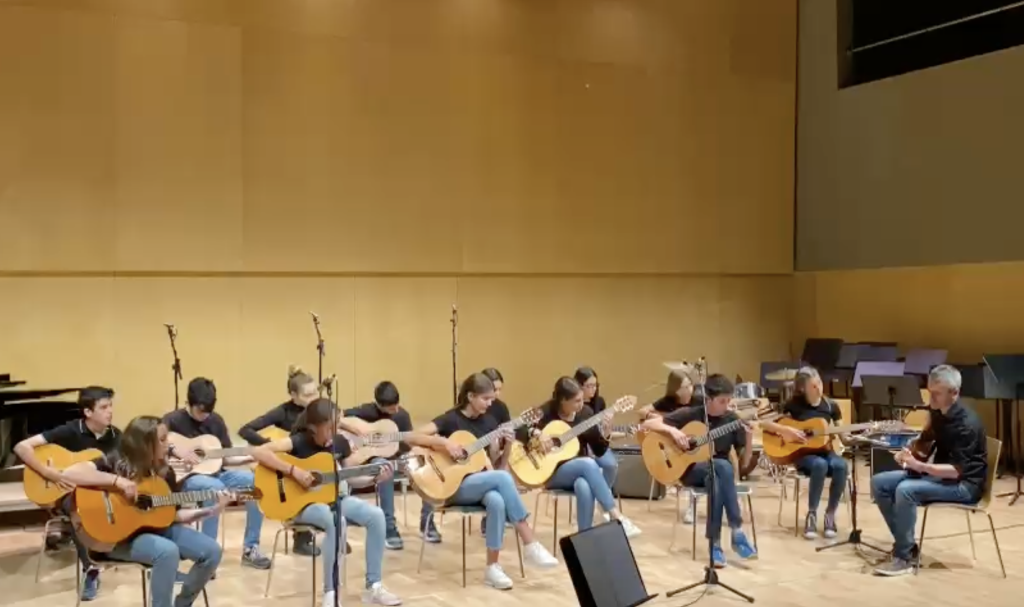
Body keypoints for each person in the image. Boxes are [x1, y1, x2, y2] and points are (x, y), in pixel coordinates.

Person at [406, 372, 559, 590]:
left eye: (492, 399)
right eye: (486, 399)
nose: (490, 403)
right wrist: (444, 444)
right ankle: (530, 542)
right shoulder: (451, 419)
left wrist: (506, 447)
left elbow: (494, 467)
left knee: (496, 500)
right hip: (450, 486)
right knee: (502, 481)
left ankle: (492, 568)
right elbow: (411, 437)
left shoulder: (489, 423)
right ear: (470, 396)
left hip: (477, 482)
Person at [251, 398, 401, 607]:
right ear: (313, 427)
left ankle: (373, 586)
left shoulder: (339, 443)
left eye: (335, 428)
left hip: (334, 499)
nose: (333, 433)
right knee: (334, 518)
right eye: (328, 429)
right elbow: (258, 452)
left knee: (375, 516)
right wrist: (294, 471)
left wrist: (375, 479)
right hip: (303, 506)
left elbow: (349, 477)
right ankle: (330, 592)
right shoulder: (299, 441)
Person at [62, 415, 224, 607]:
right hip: (117, 538)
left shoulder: (165, 474)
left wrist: (209, 511)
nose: (168, 445)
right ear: (145, 444)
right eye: (162, 440)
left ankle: (182, 604)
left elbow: (172, 515)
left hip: (157, 531)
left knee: (212, 551)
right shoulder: (115, 461)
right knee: (167, 552)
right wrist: (118, 481)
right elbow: (69, 473)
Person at [870, 364, 987, 577]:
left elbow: (956, 471)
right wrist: (909, 452)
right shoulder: (937, 412)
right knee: (879, 483)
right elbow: (925, 440)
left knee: (905, 490)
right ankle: (907, 545)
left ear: (954, 393)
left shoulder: (967, 424)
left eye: (937, 394)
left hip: (965, 485)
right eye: (930, 392)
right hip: (940, 477)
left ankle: (903, 557)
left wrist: (919, 466)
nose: (930, 399)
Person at [14, 386, 121, 601]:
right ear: (88, 412)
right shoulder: (70, 430)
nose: (110, 411)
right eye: (103, 407)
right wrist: (49, 473)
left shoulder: (115, 435)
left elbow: (121, 464)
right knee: (78, 503)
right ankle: (90, 568)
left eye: (110, 406)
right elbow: (21, 447)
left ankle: (127, 551)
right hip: (67, 493)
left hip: (100, 490)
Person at [641, 373, 757, 568]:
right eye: (722, 401)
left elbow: (745, 464)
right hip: (690, 469)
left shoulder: (732, 420)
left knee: (718, 474)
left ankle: (715, 544)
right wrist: (674, 431)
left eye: (729, 400)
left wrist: (749, 438)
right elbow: (647, 424)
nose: (727, 405)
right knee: (722, 466)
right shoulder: (691, 414)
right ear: (709, 400)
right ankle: (737, 531)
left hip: (717, 475)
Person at [163, 378, 271, 568]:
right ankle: (206, 556)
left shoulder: (216, 421)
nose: (204, 416)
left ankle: (250, 549)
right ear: (189, 403)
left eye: (208, 412)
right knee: (215, 489)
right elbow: (158, 447)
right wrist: (177, 452)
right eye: (200, 411)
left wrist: (249, 457)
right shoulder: (172, 420)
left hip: (217, 474)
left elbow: (224, 458)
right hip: (187, 480)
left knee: (256, 484)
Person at [527, 376, 640, 536]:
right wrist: (537, 433)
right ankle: (617, 516)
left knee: (584, 486)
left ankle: (584, 538)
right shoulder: (546, 411)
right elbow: (520, 428)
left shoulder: (586, 414)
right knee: (588, 463)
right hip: (550, 472)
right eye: (576, 401)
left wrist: (606, 433)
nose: (581, 404)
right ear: (562, 400)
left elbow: (599, 450)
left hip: (579, 472)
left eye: (581, 400)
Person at [239, 364, 321, 556]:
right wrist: (270, 443)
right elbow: (246, 430)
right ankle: (295, 537)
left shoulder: (318, 410)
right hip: (288, 469)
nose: (313, 399)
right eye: (307, 395)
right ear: (293, 395)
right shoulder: (283, 412)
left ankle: (328, 533)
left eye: (315, 393)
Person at [760, 367, 850, 540]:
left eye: (819, 383)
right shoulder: (793, 404)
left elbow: (844, 438)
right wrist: (786, 430)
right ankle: (812, 514)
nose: (819, 388)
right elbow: (764, 423)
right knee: (819, 465)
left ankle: (830, 514)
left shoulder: (831, 405)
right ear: (803, 389)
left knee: (841, 465)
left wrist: (858, 435)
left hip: (826, 451)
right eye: (813, 386)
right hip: (803, 454)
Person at [339, 380, 413, 550]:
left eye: (396, 406)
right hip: (369, 459)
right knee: (383, 465)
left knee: (424, 467)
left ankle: (428, 523)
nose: (395, 411)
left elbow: (408, 444)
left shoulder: (402, 416)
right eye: (390, 408)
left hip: (397, 458)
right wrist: (357, 436)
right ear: (378, 405)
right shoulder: (366, 412)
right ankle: (389, 527)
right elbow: (338, 417)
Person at [573, 366, 619, 488]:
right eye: (590, 386)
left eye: (595, 385)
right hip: (577, 445)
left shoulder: (599, 402)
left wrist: (607, 428)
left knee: (611, 465)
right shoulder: (572, 403)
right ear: (579, 386)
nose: (594, 389)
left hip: (596, 444)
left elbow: (602, 434)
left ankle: (603, 493)